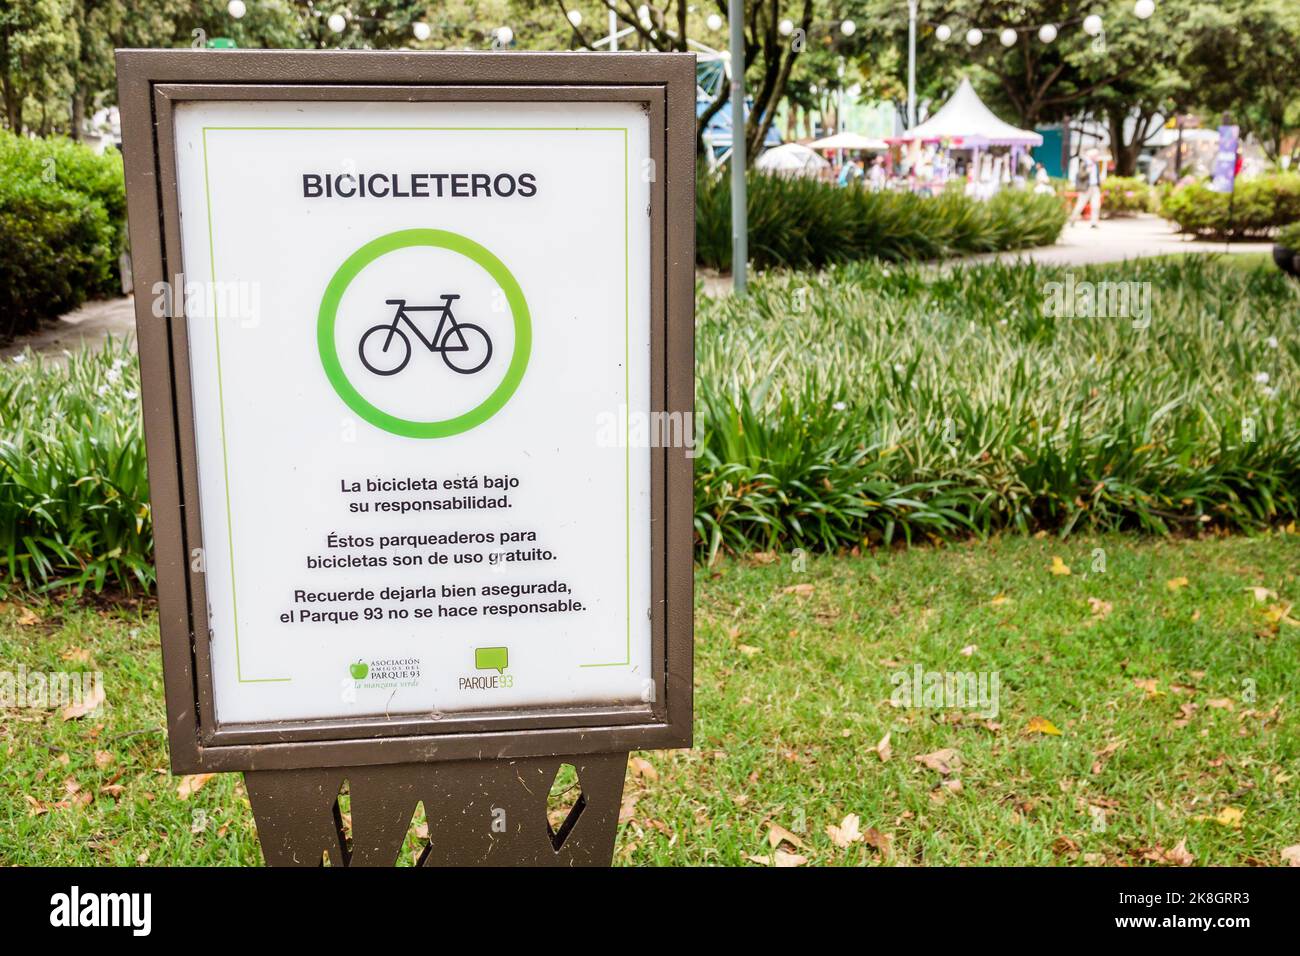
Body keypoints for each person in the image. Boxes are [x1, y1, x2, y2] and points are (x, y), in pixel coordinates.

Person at [1070, 148, 1103, 227]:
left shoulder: (1097, 164)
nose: (1097, 157)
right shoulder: (1084, 163)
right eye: (1096, 155)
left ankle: (1094, 223)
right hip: (1086, 188)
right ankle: (1072, 220)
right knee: (1080, 204)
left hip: (1095, 186)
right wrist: (1087, 172)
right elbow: (1080, 175)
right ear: (1091, 156)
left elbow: (1097, 175)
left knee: (1096, 205)